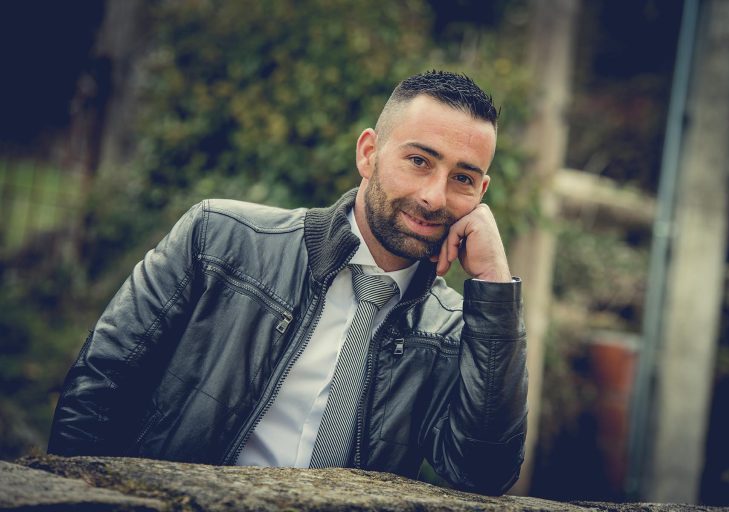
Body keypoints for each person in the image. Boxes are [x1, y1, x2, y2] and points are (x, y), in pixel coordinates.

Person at [48, 70, 528, 496]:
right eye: (419, 161)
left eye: (462, 177)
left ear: (481, 193)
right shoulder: (218, 239)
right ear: (368, 153)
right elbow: (99, 386)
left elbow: (482, 475)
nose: (433, 196)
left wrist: (494, 288)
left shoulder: (454, 330)